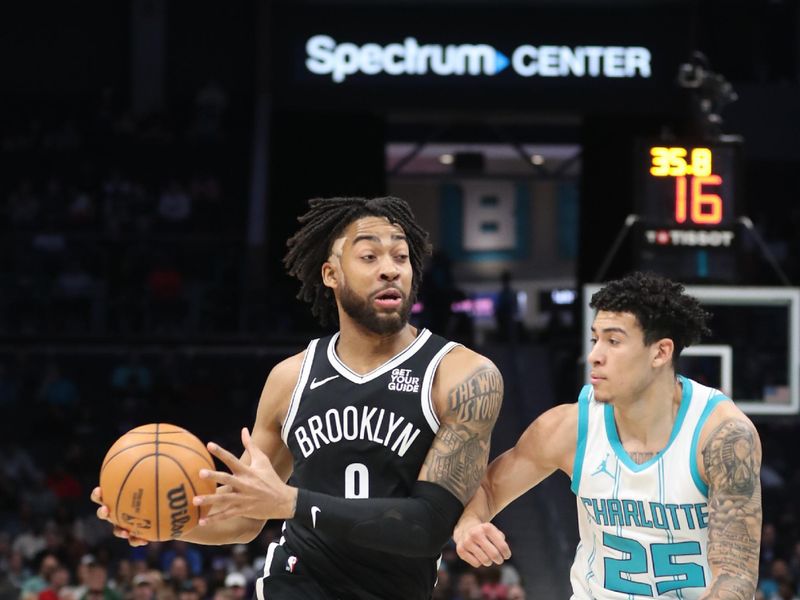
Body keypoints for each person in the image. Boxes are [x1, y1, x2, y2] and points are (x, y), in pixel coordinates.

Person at [92, 196, 504, 600]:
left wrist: (291, 501)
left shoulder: (462, 377)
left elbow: (427, 528)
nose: (389, 270)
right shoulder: (290, 379)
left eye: (401, 257)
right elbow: (246, 519)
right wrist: (161, 524)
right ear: (331, 274)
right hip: (294, 584)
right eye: (369, 257)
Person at [454, 272, 762, 599]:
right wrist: (468, 525)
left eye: (613, 341)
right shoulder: (569, 427)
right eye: (595, 339)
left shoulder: (722, 436)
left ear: (660, 352)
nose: (594, 355)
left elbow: (735, 577)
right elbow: (487, 487)